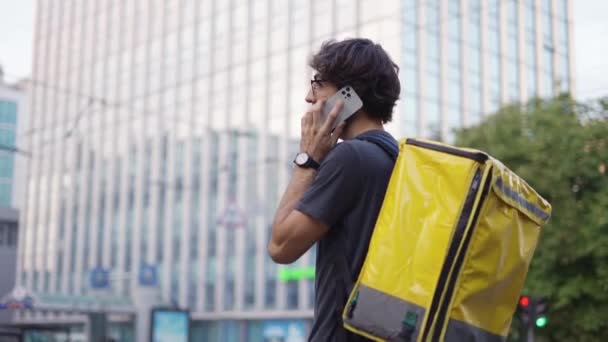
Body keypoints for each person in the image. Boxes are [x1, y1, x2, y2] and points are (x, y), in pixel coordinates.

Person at [267, 38, 401, 341]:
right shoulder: (396, 158)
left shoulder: (351, 157)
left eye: (318, 84)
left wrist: (308, 159)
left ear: (348, 95)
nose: (307, 97)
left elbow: (281, 246)